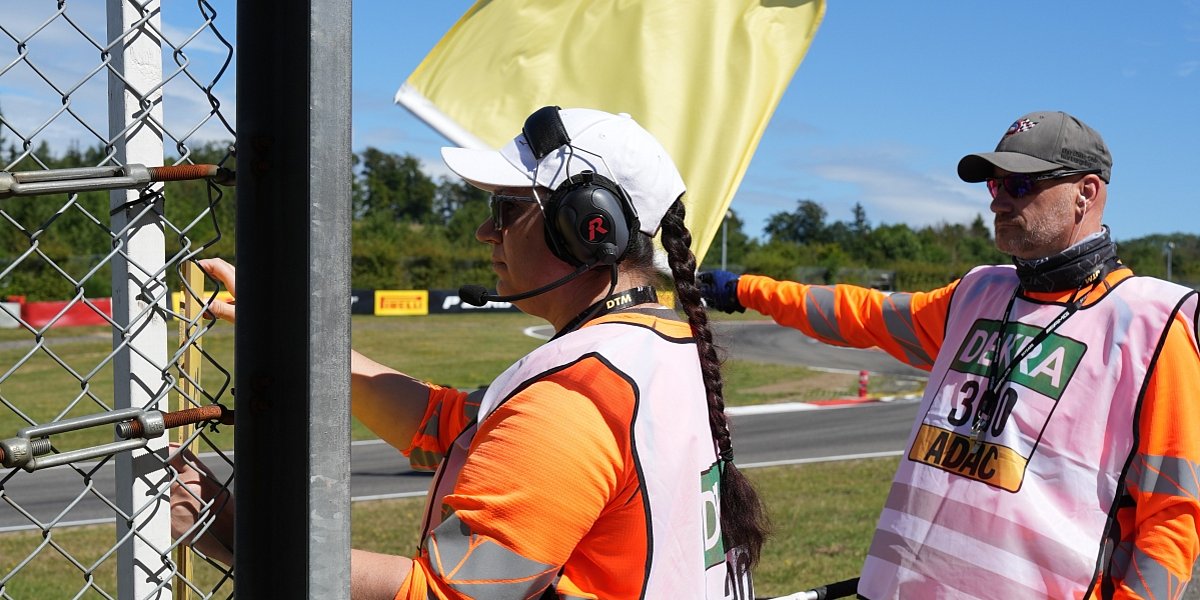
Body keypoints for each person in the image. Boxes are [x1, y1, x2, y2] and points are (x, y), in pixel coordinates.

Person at [171, 106, 769, 599]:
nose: (487, 231)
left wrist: (228, 526)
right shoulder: (659, 346)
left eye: (506, 208)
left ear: (589, 227)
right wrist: (300, 342)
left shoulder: (573, 401)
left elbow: (449, 592)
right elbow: (447, 428)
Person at [700, 110, 1200, 599]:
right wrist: (746, 289)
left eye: (1019, 185)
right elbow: (862, 313)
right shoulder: (977, 293)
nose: (998, 202)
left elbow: (1172, 516)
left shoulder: (1152, 323)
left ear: (1085, 192)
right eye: (994, 185)